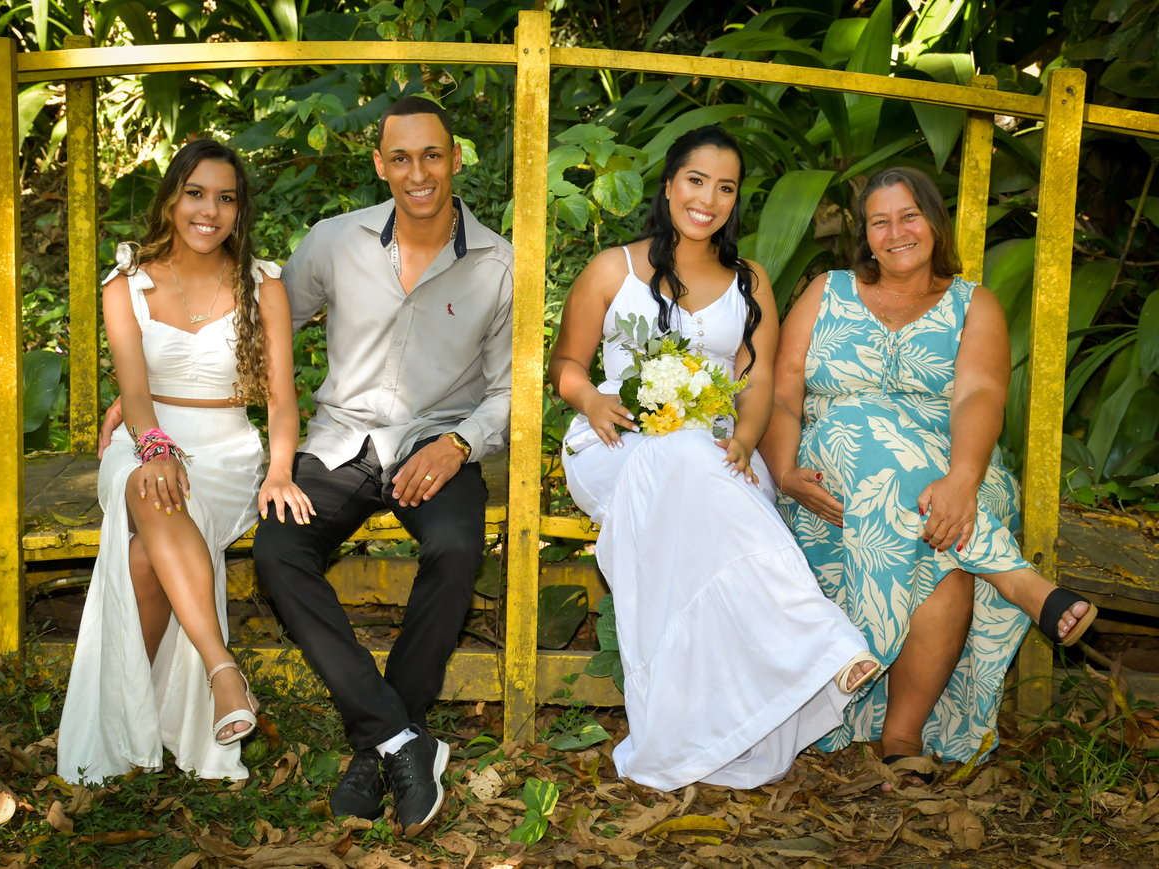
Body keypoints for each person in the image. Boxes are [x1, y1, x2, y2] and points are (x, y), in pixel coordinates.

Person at [549, 126, 880, 793]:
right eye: (696, 181)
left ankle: (717, 725)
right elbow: (565, 364)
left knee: (701, 467)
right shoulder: (614, 269)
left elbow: (756, 384)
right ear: (670, 183)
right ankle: (817, 641)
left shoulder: (750, 281)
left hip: (720, 452)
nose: (708, 199)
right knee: (679, 453)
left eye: (725, 188)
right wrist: (590, 399)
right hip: (617, 444)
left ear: (735, 200)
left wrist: (746, 440)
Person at [759, 166, 1097, 787]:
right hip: (836, 474)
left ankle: (902, 734)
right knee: (866, 435)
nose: (896, 233)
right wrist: (782, 471)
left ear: (935, 222)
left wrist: (964, 479)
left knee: (936, 530)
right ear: (865, 235)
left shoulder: (973, 304)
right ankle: (1016, 581)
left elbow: (979, 395)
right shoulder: (828, 291)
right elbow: (783, 394)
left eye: (909, 216)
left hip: (953, 465)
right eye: (879, 222)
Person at [250, 97, 513, 835]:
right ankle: (398, 737)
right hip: (340, 440)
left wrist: (460, 444)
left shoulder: (498, 264)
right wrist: (155, 394)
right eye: (401, 158)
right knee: (277, 549)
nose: (418, 172)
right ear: (380, 165)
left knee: (456, 547)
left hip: (434, 445)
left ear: (454, 158)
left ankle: (379, 745)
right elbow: (263, 327)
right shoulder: (335, 241)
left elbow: (509, 391)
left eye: (432, 155)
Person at [59, 139, 308, 783]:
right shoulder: (128, 284)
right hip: (144, 439)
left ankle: (128, 729)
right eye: (196, 193)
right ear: (171, 199)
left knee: (146, 555)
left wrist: (280, 470)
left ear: (239, 210)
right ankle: (223, 672)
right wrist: (155, 446)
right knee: (153, 484)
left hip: (226, 452)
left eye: (226, 198)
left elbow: (282, 402)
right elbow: (136, 394)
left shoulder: (263, 287)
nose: (209, 211)